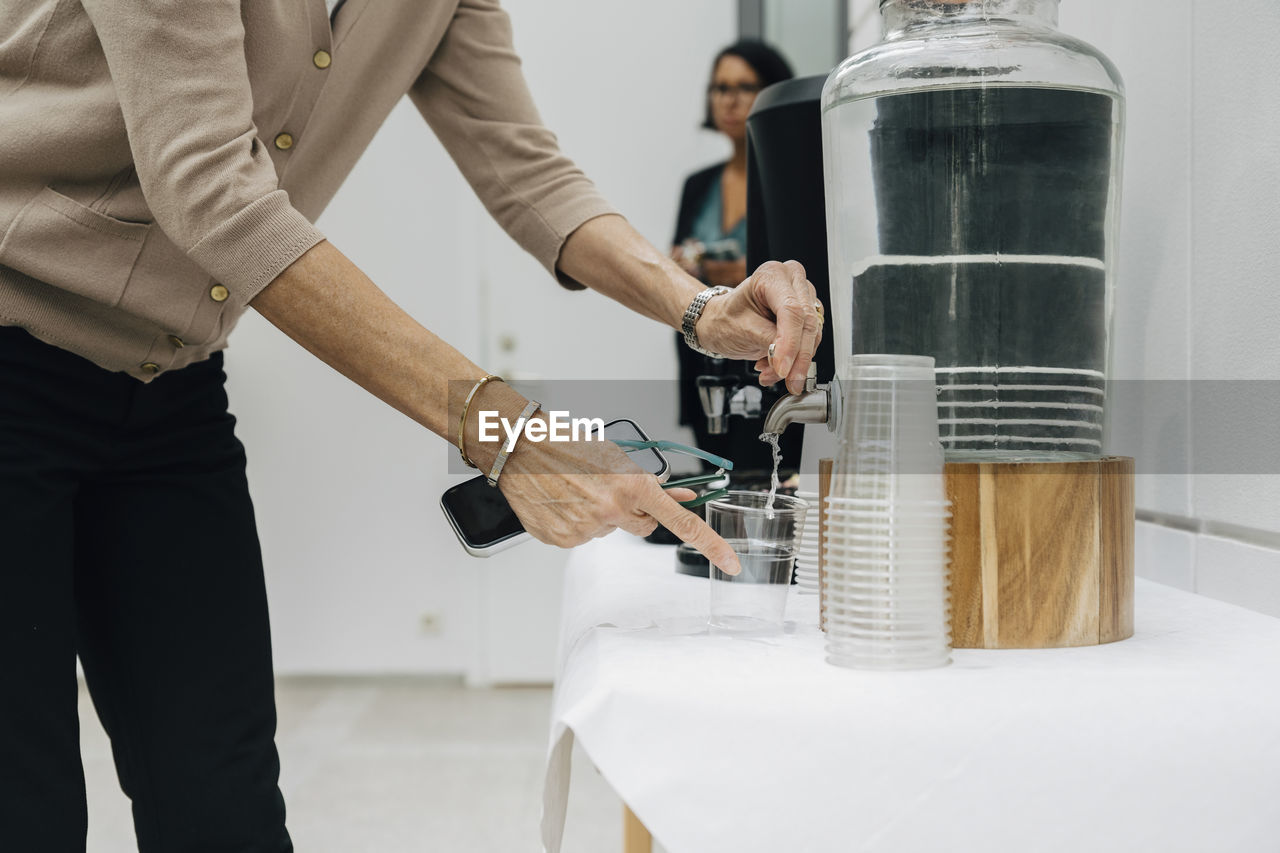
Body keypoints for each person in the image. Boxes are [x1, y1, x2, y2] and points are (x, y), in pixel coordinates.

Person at [0, 1, 822, 849]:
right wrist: (504, 430)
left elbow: (527, 167)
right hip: (12, 349)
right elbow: (211, 189)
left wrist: (700, 309)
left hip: (168, 390)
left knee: (224, 805)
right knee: (23, 806)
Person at [671, 40, 797, 469]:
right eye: (720, 88)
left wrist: (742, 272)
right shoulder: (698, 185)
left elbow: (802, 267)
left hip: (764, 359)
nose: (729, 100)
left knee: (771, 475)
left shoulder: (791, 183)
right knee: (713, 472)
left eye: (745, 87)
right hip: (703, 356)